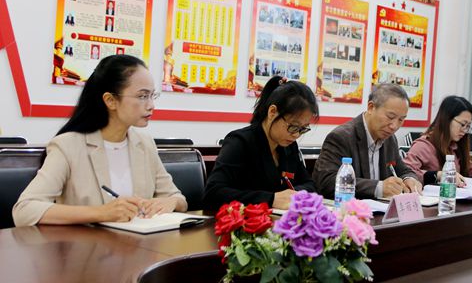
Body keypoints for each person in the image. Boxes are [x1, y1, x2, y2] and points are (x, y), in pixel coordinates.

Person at [13, 55, 187, 226]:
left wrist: (170, 202)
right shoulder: (67, 146)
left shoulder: (144, 143)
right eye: (142, 96)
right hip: (84, 244)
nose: (151, 105)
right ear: (110, 100)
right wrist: (102, 213)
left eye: (152, 96)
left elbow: (177, 198)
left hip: (140, 242)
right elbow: (25, 210)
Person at [203, 75, 318, 210]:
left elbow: (309, 185)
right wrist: (271, 199)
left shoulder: (288, 145)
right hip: (243, 220)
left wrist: (294, 195)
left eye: (303, 129)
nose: (296, 135)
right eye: (293, 126)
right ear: (272, 112)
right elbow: (213, 194)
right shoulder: (240, 142)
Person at [313, 83, 421, 200]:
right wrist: (378, 188)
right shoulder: (341, 137)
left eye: (401, 119)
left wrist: (409, 179)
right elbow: (326, 182)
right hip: (350, 209)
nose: (394, 126)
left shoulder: (390, 139)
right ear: (371, 107)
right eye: (390, 117)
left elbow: (403, 170)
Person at [404, 96, 472, 186]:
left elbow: (468, 168)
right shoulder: (423, 146)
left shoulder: (456, 145)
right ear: (446, 119)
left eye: (468, 126)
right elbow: (406, 173)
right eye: (463, 124)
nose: (464, 130)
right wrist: (437, 175)